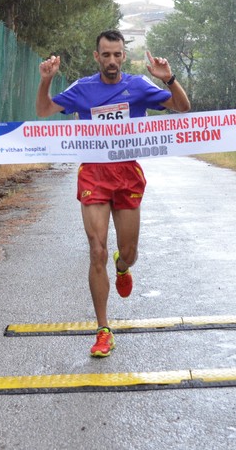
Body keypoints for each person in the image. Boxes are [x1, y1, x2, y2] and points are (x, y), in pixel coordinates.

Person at [36, 29, 190, 358]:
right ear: (97, 56)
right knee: (96, 250)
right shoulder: (82, 88)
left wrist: (168, 78)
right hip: (93, 173)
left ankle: (123, 266)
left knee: (129, 251)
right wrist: (46, 81)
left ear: (123, 55)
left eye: (117, 54)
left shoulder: (138, 86)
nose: (111, 60)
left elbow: (182, 106)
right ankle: (103, 330)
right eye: (105, 55)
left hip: (127, 174)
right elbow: (43, 110)